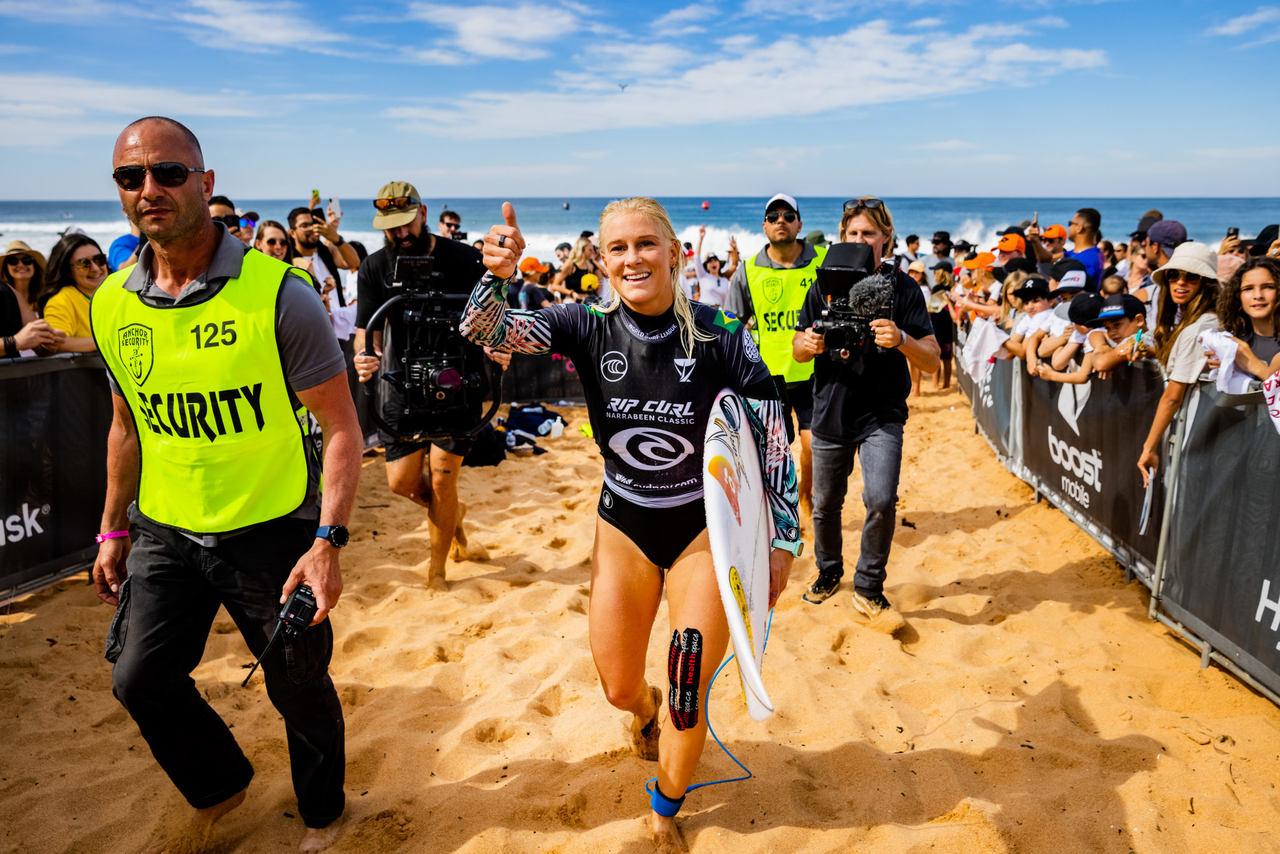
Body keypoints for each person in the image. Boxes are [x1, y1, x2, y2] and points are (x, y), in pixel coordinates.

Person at [459, 197, 800, 852]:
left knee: (687, 683)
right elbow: (484, 330)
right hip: (624, 522)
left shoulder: (722, 333)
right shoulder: (585, 325)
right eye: (617, 248)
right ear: (602, 259)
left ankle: (666, 809)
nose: (633, 258)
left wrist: (782, 539)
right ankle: (644, 713)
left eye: (646, 244)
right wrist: (495, 275)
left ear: (673, 253)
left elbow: (772, 435)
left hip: (703, 525)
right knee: (619, 686)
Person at [90, 115, 361, 853]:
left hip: (272, 527)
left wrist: (328, 542)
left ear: (205, 182)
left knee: (298, 685)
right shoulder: (112, 302)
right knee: (138, 678)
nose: (149, 189)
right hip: (166, 528)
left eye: (169, 173)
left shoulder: (279, 293)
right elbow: (125, 425)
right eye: (131, 177)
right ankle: (220, 784)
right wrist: (112, 529)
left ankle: (323, 814)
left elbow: (342, 427)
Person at [792, 197, 939, 615]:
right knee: (825, 504)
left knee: (880, 499)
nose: (860, 240)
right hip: (831, 410)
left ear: (885, 239)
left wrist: (902, 339)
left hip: (882, 413)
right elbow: (798, 348)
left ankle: (869, 585)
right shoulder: (822, 284)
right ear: (842, 236)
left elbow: (932, 358)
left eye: (869, 233)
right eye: (853, 232)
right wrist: (807, 343)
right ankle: (828, 571)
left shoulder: (903, 288)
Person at [352, 181, 498, 589]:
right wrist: (364, 356)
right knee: (401, 483)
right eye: (390, 227)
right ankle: (453, 517)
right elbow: (366, 331)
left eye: (405, 223)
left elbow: (493, 313)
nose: (400, 233)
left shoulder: (464, 259)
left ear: (423, 213)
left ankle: (437, 572)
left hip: (457, 385)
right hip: (401, 388)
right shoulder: (375, 267)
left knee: (442, 479)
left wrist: (497, 345)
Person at [722, 193, 826, 517]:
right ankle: (781, 506)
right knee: (775, 453)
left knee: (812, 446)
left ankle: (806, 499)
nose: (781, 221)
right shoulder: (749, 270)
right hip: (769, 377)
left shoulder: (822, 261)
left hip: (815, 372)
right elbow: (730, 326)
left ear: (799, 224)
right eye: (773, 216)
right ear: (764, 226)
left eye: (788, 215)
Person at [1137, 242, 1220, 487]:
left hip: (1198, 435)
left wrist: (1149, 447)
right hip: (1201, 433)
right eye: (1174, 275)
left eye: (1192, 277)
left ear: (1206, 284)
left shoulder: (1200, 327)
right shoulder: (1197, 323)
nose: (1180, 283)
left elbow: (1173, 397)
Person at [38, 233, 108, 353]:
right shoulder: (62, 300)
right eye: (84, 263)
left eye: (99, 259)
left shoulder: (117, 290)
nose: (95, 268)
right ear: (67, 271)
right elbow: (54, 342)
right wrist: (107, 341)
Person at [1214, 256, 1280, 380]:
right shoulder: (1234, 340)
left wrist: (1253, 364)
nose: (1258, 295)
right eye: (1248, 289)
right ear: (1237, 295)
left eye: (1268, 287)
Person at [1, 241, 62, 357]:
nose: (20, 265)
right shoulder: (6, 299)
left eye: (27, 260)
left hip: (39, 363)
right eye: (13, 261)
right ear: (6, 267)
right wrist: (16, 341)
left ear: (35, 265)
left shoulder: (48, 298)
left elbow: (44, 347)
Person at [1029, 208, 1104, 291]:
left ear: (1079, 228)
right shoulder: (1080, 253)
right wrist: (1035, 240)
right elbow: (1046, 258)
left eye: (1070, 223)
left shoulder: (1088, 258)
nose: (1068, 227)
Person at [550, 234, 607, 302]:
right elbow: (554, 286)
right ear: (582, 249)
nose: (593, 252)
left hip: (590, 300)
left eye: (593, 250)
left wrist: (594, 261)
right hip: (574, 301)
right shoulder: (570, 264)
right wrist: (571, 293)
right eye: (590, 250)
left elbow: (606, 274)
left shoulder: (591, 263)